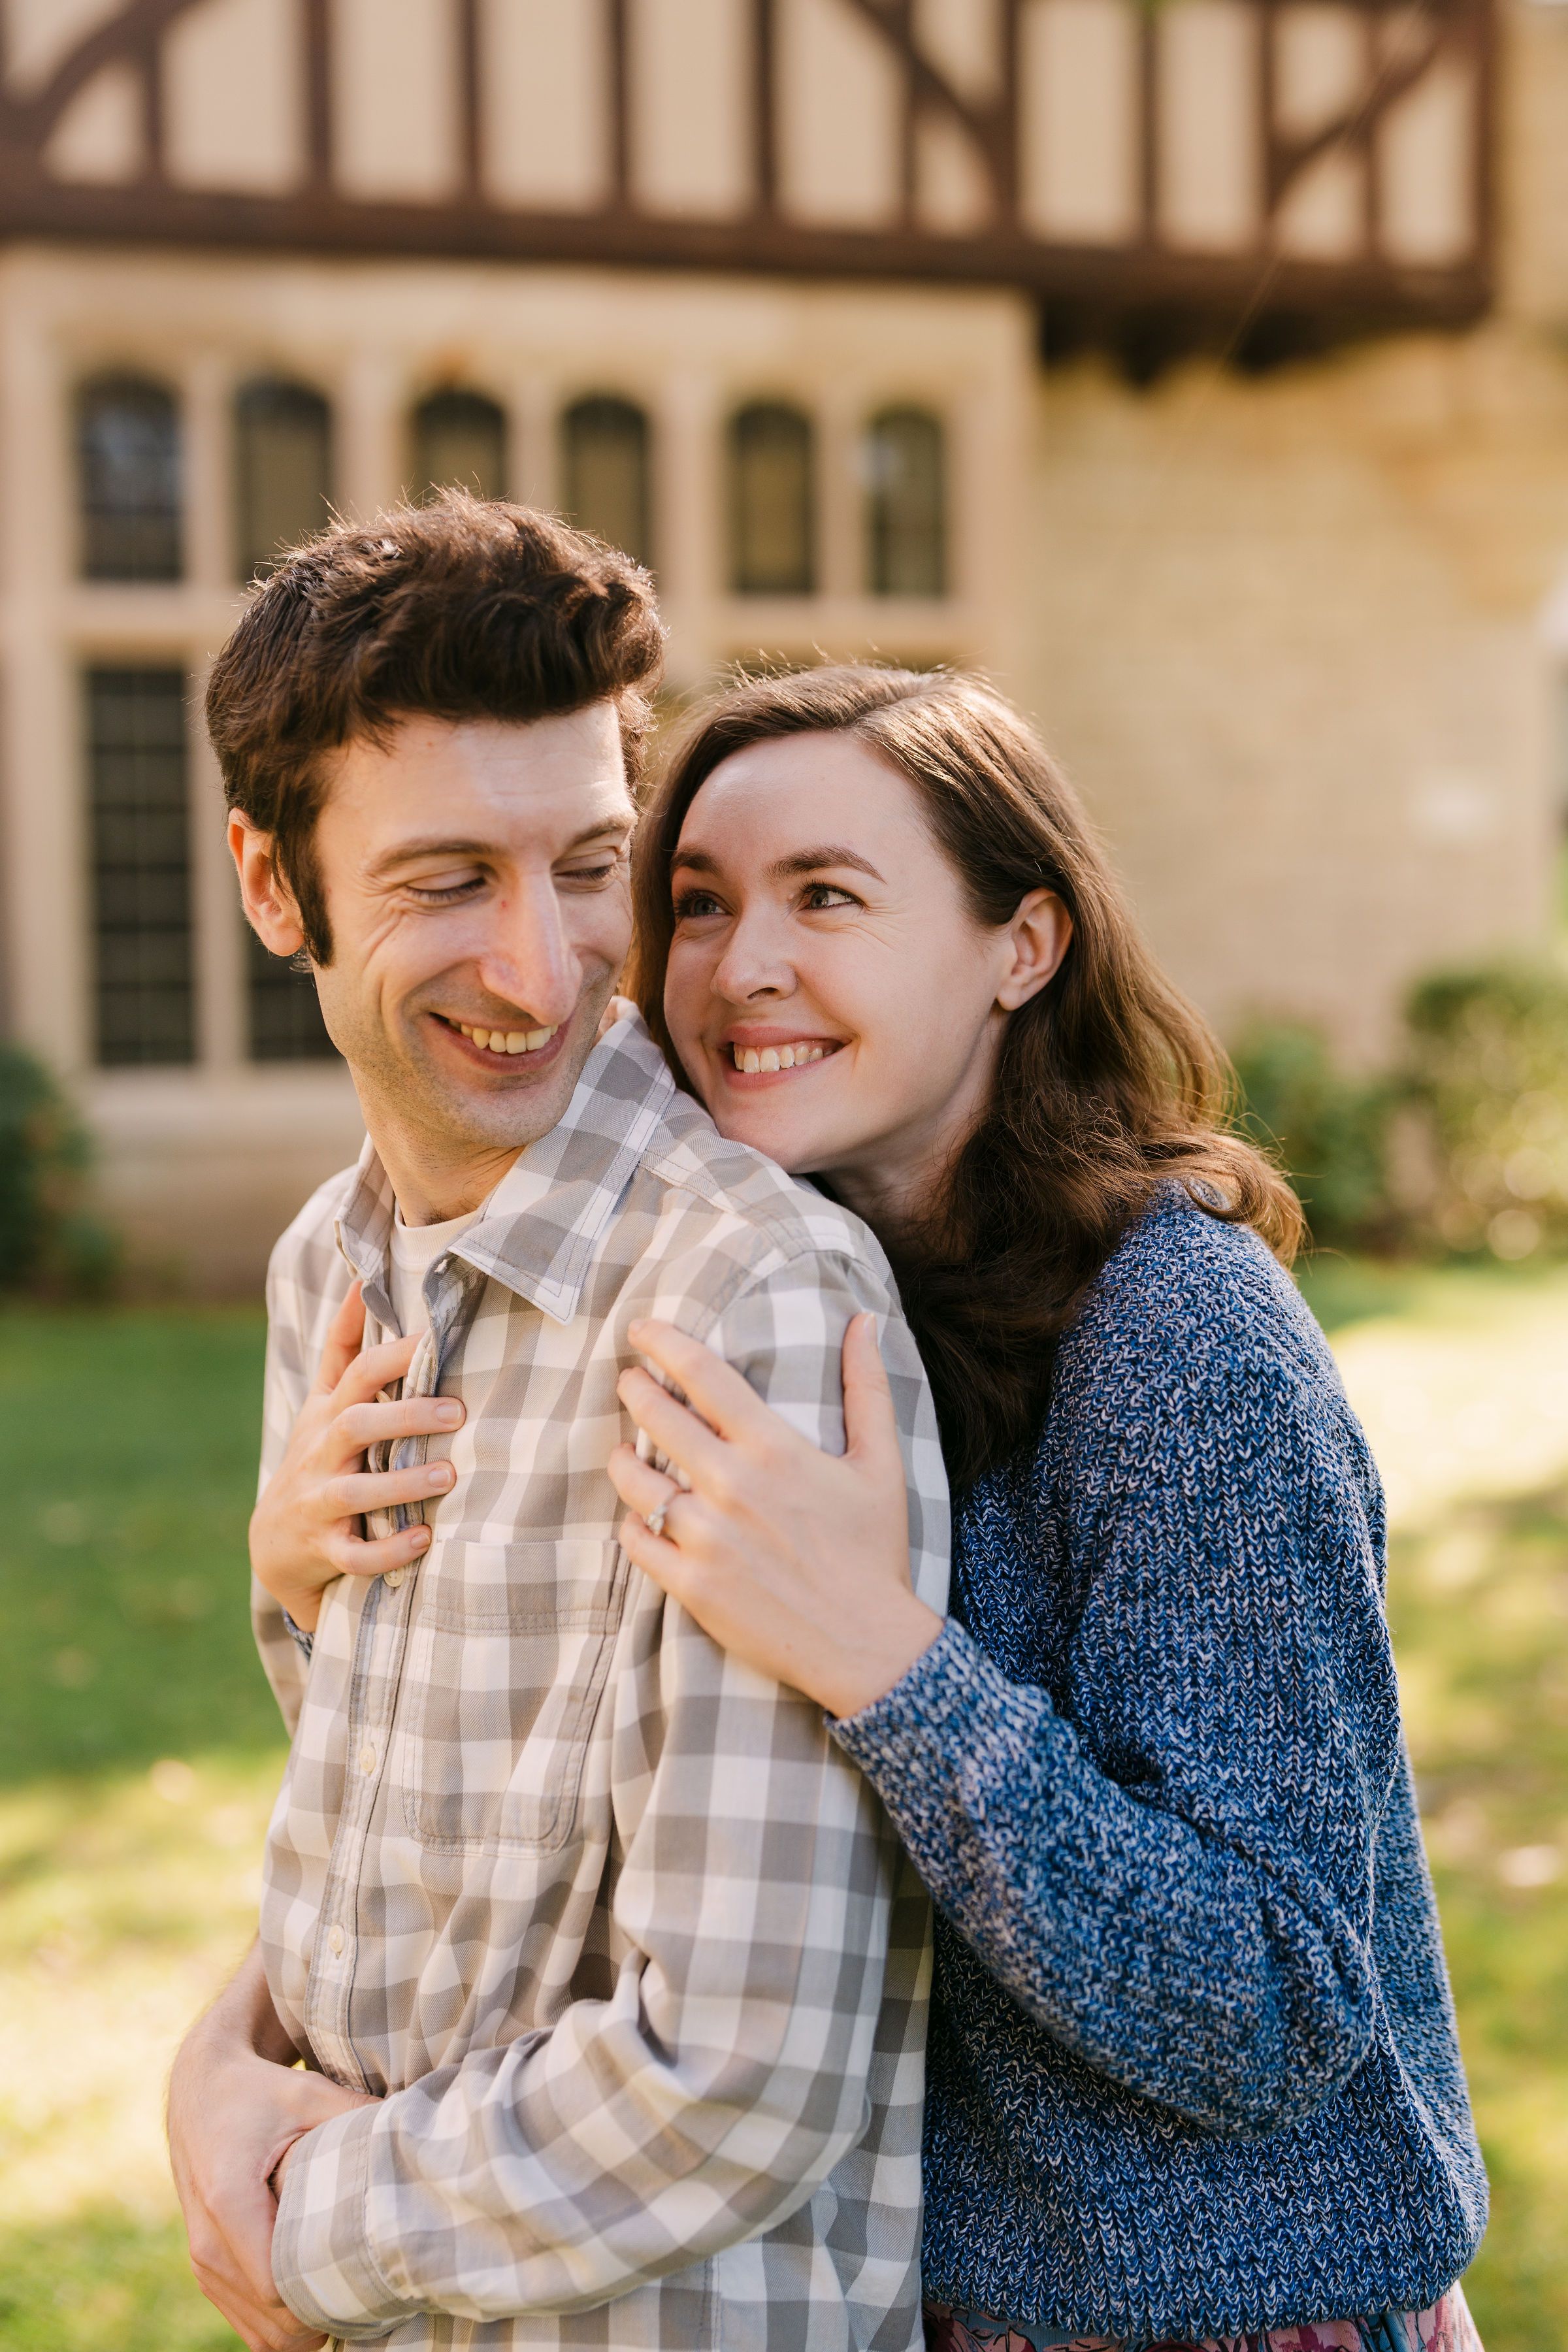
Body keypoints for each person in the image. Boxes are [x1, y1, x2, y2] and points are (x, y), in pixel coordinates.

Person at [247, 658, 1492, 2350]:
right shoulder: (771, 1295)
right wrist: (308, 1589)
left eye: (826, 896)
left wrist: (893, 1666)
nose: (742, 966)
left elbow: (1274, 2001)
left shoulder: (1182, 1345)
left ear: (1022, 946)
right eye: (699, 902)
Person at [165, 501, 950, 2352]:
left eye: (591, 867)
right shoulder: (330, 1266)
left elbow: (744, 2069)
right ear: (275, 885)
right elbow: (402, 1838)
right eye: (448, 882)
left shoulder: (748, 1304)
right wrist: (223, 2062)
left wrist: (292, 2217)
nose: (541, 972)